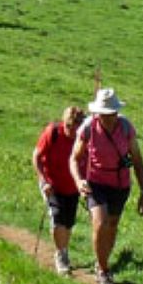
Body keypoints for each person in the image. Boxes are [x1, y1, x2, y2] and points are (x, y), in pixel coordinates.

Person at [70, 87, 143, 284]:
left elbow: (138, 161)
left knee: (112, 225)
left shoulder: (126, 128)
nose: (109, 118)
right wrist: (79, 181)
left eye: (111, 114)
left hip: (120, 184)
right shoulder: (88, 128)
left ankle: (101, 261)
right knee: (100, 222)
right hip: (95, 182)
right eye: (105, 114)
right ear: (98, 113)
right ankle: (104, 271)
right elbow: (74, 159)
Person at [33, 106, 84, 274]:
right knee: (57, 217)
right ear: (65, 124)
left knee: (68, 223)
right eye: (70, 127)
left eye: (77, 128)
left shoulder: (83, 138)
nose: (73, 132)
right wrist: (43, 180)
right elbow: (37, 157)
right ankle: (60, 256)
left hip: (72, 186)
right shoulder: (53, 133)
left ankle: (64, 250)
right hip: (52, 184)